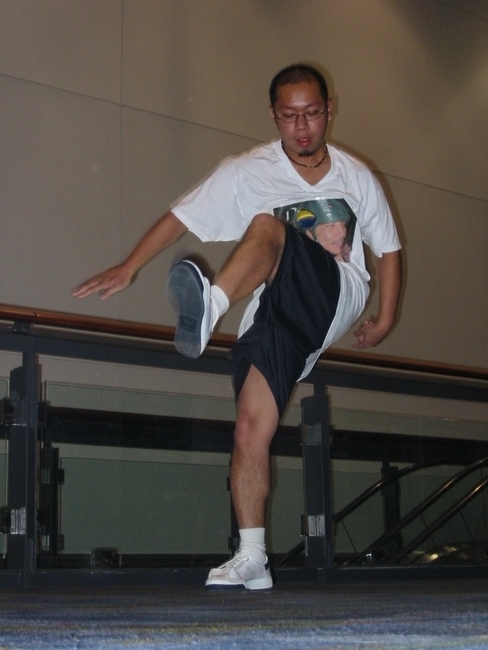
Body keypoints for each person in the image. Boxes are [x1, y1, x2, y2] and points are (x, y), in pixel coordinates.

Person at [74, 63, 402, 590]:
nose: (302, 127)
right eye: (290, 116)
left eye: (312, 114)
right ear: (273, 115)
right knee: (250, 429)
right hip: (278, 313)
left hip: (338, 290)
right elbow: (182, 216)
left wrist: (383, 319)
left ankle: (212, 304)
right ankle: (252, 558)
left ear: (329, 110)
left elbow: (387, 249)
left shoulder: (356, 176)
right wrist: (130, 265)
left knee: (268, 226)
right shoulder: (246, 170)